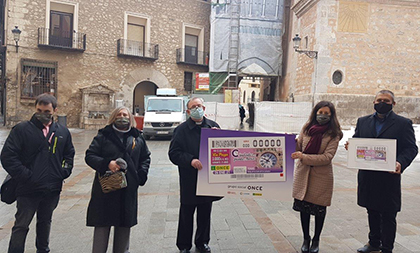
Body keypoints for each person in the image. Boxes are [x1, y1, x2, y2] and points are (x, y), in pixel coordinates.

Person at [0, 93, 75, 253]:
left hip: (52, 188)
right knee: (21, 225)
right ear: (35, 109)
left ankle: (43, 250)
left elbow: (69, 154)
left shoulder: (62, 132)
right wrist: (26, 175)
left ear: (54, 110)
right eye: (39, 110)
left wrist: (63, 172)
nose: (42, 115)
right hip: (28, 188)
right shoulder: (21, 130)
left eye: (47, 111)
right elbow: (8, 156)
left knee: (45, 222)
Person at [348, 90, 418, 253]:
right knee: (371, 209)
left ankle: (387, 248)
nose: (382, 103)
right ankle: (374, 243)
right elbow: (357, 140)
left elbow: (411, 148)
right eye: (379, 100)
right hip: (368, 176)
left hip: (389, 177)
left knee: (388, 214)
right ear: (373, 102)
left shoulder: (403, 123)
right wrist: (352, 146)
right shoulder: (363, 121)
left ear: (393, 104)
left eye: (386, 101)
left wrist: (401, 162)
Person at [85, 106, 151, 253]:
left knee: (123, 227)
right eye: (119, 114)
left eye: (125, 115)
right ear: (114, 117)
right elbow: (90, 156)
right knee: (102, 226)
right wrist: (107, 163)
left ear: (130, 118)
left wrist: (141, 175)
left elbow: (145, 157)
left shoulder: (137, 137)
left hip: (128, 189)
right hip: (106, 189)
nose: (122, 117)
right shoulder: (103, 136)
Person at [168, 97, 221, 253]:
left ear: (204, 109)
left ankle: (202, 242)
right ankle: (184, 245)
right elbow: (174, 154)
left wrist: (220, 137)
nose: (197, 109)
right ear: (188, 111)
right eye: (193, 107)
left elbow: (226, 150)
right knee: (186, 214)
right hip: (189, 179)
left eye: (199, 106)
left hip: (208, 178)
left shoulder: (213, 126)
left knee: (205, 213)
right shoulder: (181, 130)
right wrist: (190, 160)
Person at [291, 101, 343, 253]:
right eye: (321, 112)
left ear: (332, 116)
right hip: (303, 174)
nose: (323, 116)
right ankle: (306, 238)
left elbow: (327, 157)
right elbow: (299, 147)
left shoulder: (334, 134)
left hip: (321, 177)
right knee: (304, 210)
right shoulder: (306, 129)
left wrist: (303, 156)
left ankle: (316, 240)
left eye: (327, 113)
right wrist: (292, 143)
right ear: (315, 113)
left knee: (319, 211)